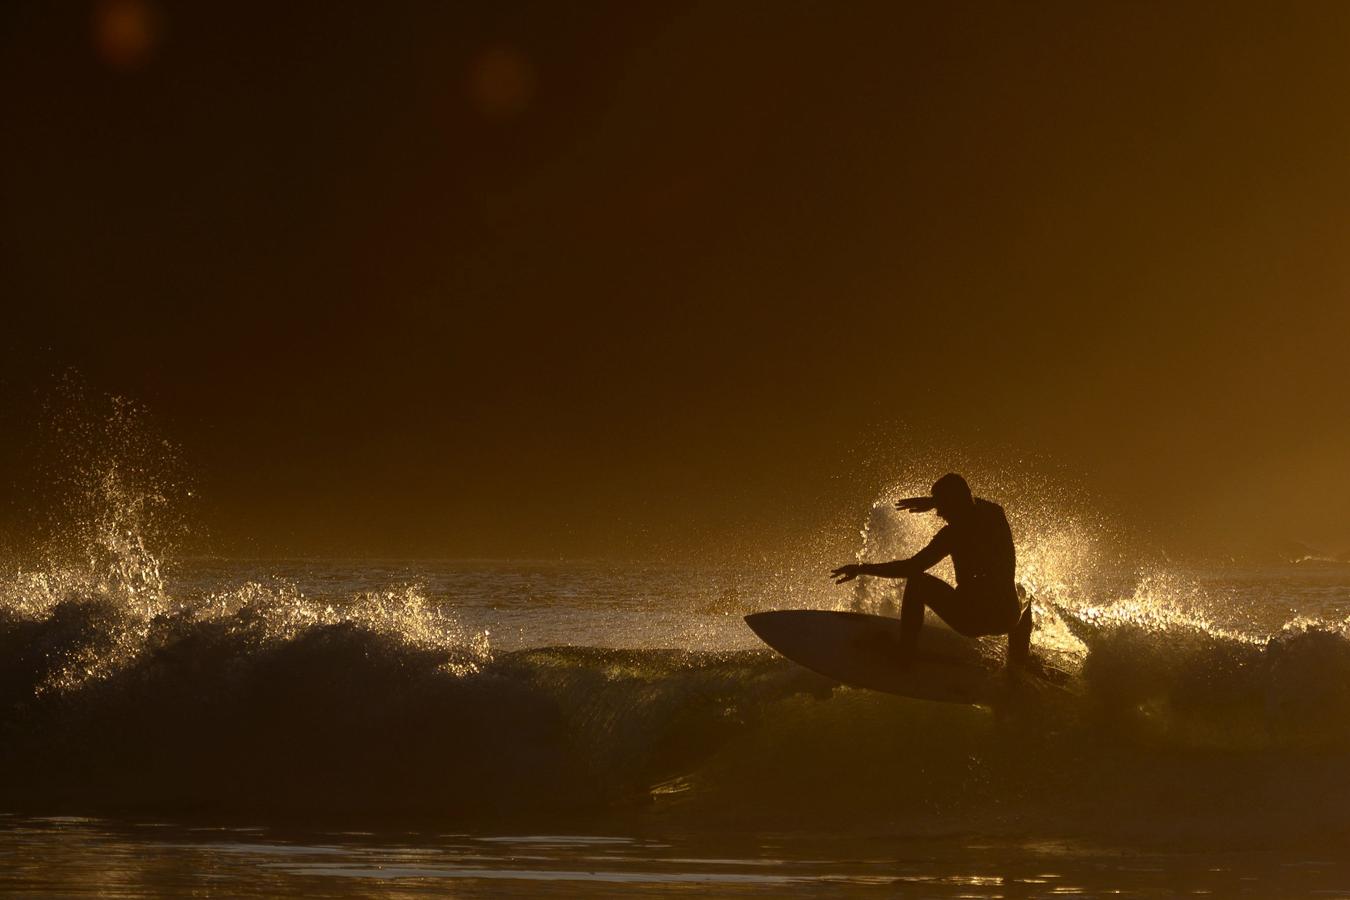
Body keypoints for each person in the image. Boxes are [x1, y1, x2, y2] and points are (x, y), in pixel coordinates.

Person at [830, 473, 1033, 668]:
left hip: (972, 620)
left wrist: (861, 568)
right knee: (1023, 591)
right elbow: (971, 503)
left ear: (953, 504)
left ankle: (905, 654)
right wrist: (935, 501)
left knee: (918, 582)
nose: (939, 513)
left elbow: (911, 567)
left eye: (942, 507)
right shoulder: (995, 515)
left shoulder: (952, 535)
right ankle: (1018, 661)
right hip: (1007, 617)